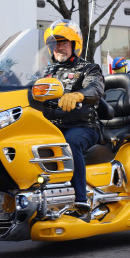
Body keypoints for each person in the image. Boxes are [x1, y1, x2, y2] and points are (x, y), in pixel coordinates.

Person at [42, 20, 105, 215]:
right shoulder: (46, 72)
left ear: (75, 45)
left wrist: (79, 95)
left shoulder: (89, 68)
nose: (59, 47)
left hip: (83, 125)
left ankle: (80, 199)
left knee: (70, 143)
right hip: (51, 125)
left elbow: (96, 88)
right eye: (55, 43)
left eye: (64, 43)